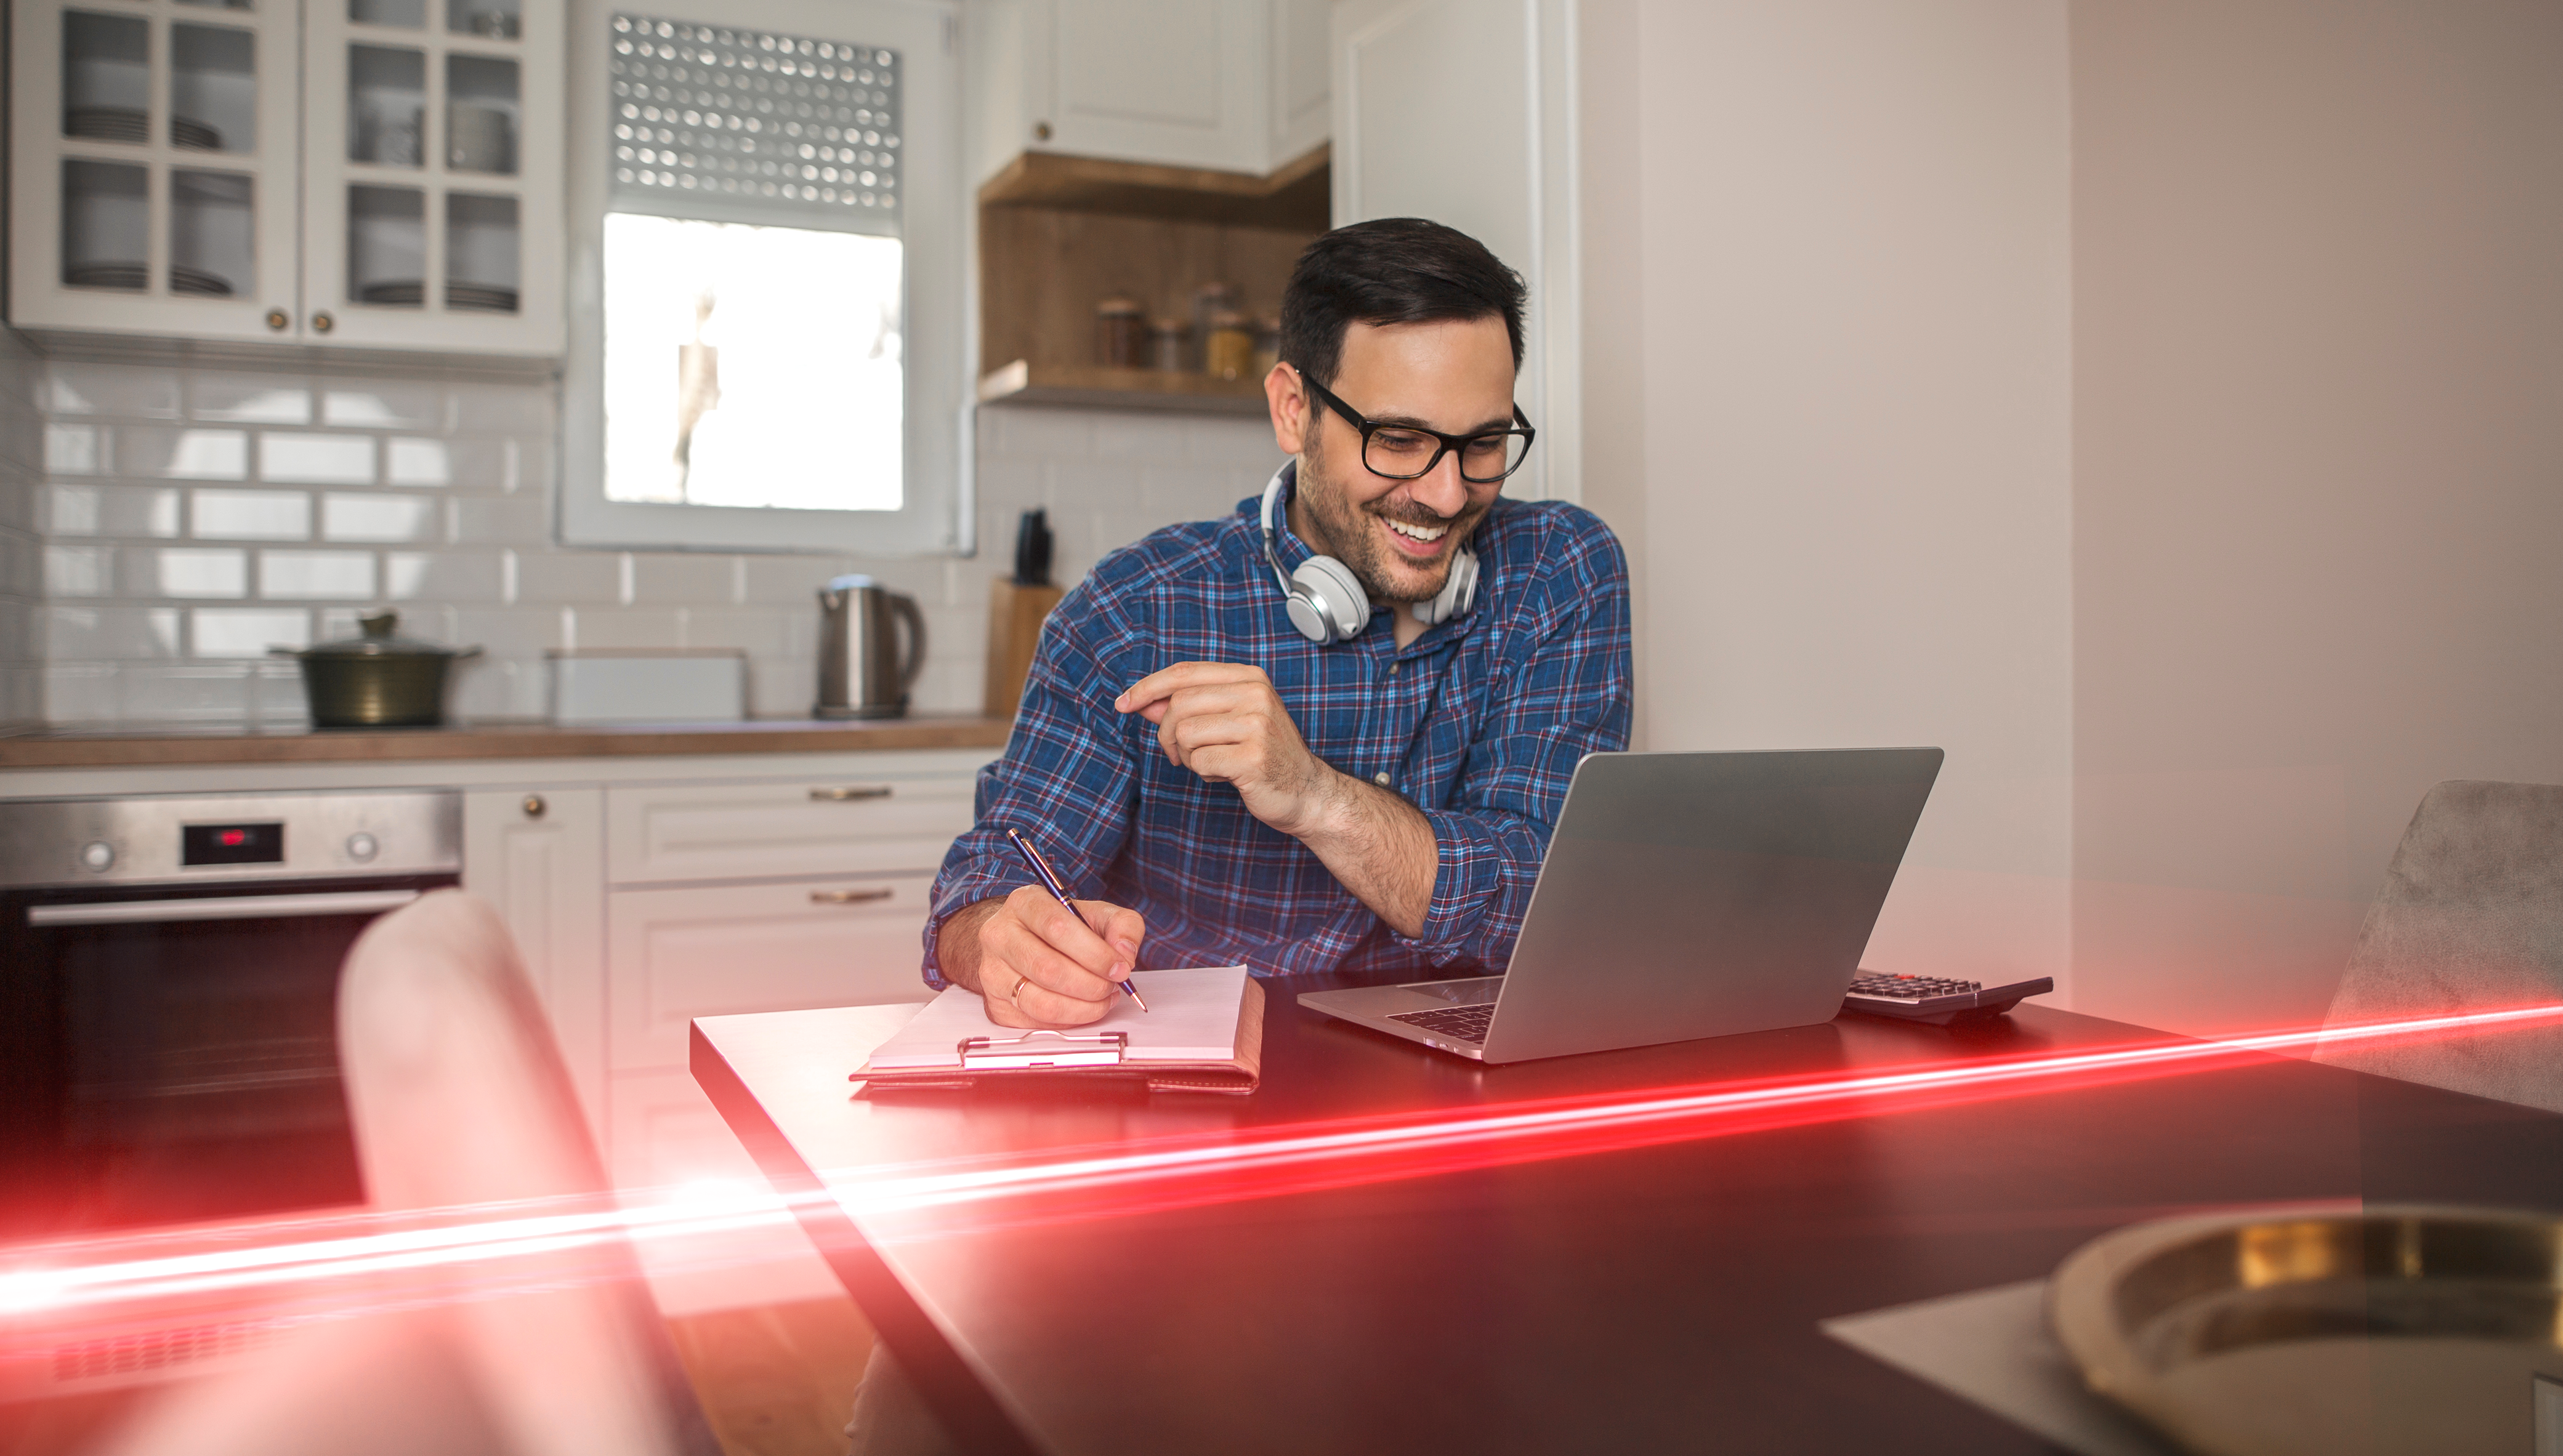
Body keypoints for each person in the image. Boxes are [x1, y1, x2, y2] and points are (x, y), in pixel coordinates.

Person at [849, 217, 1633, 1453]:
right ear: (1291, 409)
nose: (1444, 494)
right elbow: (990, 876)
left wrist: (1310, 792)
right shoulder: (1137, 608)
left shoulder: (1560, 576)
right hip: (1171, 1176)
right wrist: (998, 939)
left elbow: (1542, 900)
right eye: (1398, 440)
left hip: (1460, 1165)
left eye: (1481, 444)